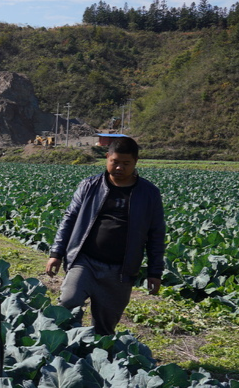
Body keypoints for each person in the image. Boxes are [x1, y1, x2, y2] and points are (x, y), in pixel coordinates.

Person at [45, 136, 165, 335]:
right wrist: (56, 252)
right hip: (85, 261)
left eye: (126, 163)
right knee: (68, 302)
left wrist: (155, 272)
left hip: (121, 270)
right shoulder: (89, 186)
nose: (119, 168)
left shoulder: (149, 193)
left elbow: (156, 234)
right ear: (107, 158)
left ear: (136, 162)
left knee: (105, 327)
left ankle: (94, 357)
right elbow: (70, 219)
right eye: (115, 162)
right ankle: (65, 344)